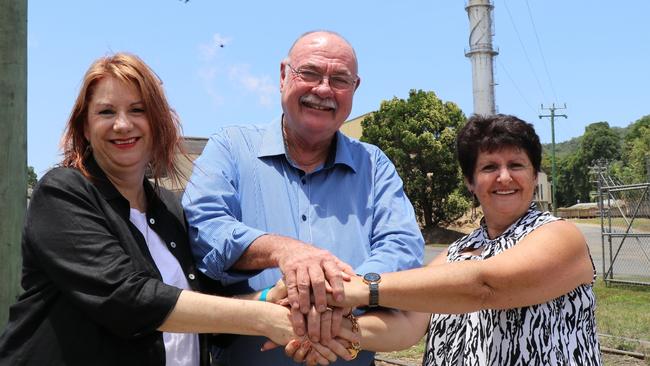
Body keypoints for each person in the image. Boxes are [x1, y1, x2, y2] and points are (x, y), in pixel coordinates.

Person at [0, 53, 341, 366]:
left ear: (158, 122)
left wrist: (270, 298)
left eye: (138, 110)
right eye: (106, 112)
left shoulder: (170, 209)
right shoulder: (62, 193)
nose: (123, 124)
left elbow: (207, 311)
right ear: (86, 128)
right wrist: (265, 319)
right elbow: (128, 299)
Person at [182, 30, 424, 365]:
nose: (323, 89)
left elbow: (403, 248)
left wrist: (334, 297)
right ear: (283, 76)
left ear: (355, 89)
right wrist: (284, 251)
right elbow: (206, 229)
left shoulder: (375, 166)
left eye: (339, 79)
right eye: (309, 73)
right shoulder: (230, 148)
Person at [291, 114, 602, 365]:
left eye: (517, 165)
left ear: (535, 176)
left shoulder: (560, 236)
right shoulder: (454, 255)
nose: (504, 177)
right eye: (489, 167)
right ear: (470, 181)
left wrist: (361, 288)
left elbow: (484, 286)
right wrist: (330, 331)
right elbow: (406, 327)